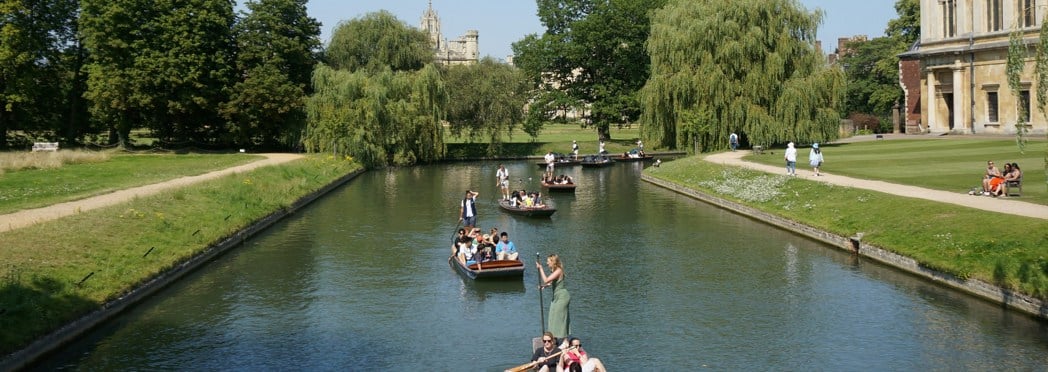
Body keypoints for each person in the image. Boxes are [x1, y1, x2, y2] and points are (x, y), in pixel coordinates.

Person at [537, 254, 570, 339]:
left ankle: (565, 341)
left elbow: (546, 279)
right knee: (552, 317)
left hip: (562, 297)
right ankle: (554, 338)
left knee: (561, 318)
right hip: (556, 297)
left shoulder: (559, 270)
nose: (547, 263)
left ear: (553, 262)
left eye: (548, 262)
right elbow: (550, 282)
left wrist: (540, 268)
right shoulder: (555, 271)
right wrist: (544, 286)